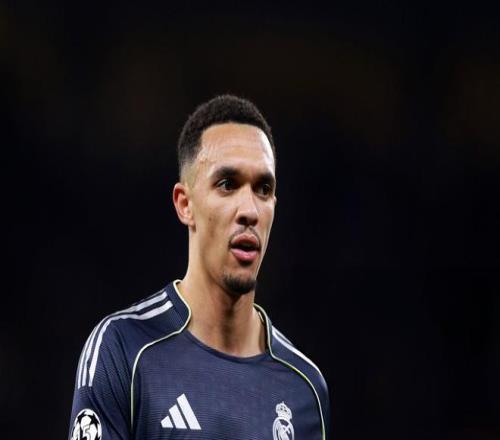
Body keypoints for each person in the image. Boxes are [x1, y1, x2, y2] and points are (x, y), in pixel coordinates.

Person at [68, 95, 331, 440]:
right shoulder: (124, 351)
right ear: (185, 204)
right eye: (228, 184)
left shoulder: (304, 388)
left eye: (263, 189)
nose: (249, 210)